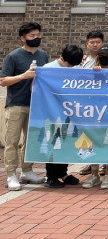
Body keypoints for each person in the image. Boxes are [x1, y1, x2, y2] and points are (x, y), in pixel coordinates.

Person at [0, 22, 48, 191]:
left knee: (31, 140)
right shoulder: (13, 56)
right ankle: (11, 175)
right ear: (23, 38)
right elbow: (3, 80)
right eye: (32, 36)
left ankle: (27, 171)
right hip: (16, 104)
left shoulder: (44, 56)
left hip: (35, 105)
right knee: (12, 141)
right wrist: (23, 76)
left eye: (38, 35)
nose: (36, 38)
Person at [41, 45, 84, 189]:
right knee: (54, 143)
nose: (71, 68)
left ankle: (63, 173)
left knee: (66, 142)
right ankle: (51, 176)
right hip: (52, 112)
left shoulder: (76, 67)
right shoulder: (48, 69)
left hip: (69, 112)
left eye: (74, 65)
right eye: (69, 64)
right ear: (62, 58)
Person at [82, 44, 108, 189]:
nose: (104, 58)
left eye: (107, 56)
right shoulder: (93, 72)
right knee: (92, 142)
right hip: (94, 113)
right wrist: (95, 73)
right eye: (101, 56)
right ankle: (94, 175)